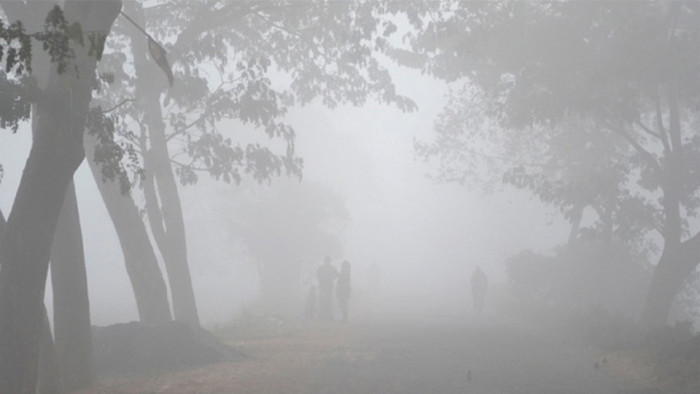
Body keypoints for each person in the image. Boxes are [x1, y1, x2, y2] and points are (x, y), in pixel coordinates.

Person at [316, 256, 338, 320]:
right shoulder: (324, 268)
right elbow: (318, 275)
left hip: (328, 287)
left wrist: (329, 278)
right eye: (326, 261)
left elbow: (335, 275)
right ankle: (323, 315)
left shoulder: (323, 268)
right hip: (324, 286)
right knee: (324, 300)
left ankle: (328, 315)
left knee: (328, 301)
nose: (327, 262)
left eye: (328, 261)